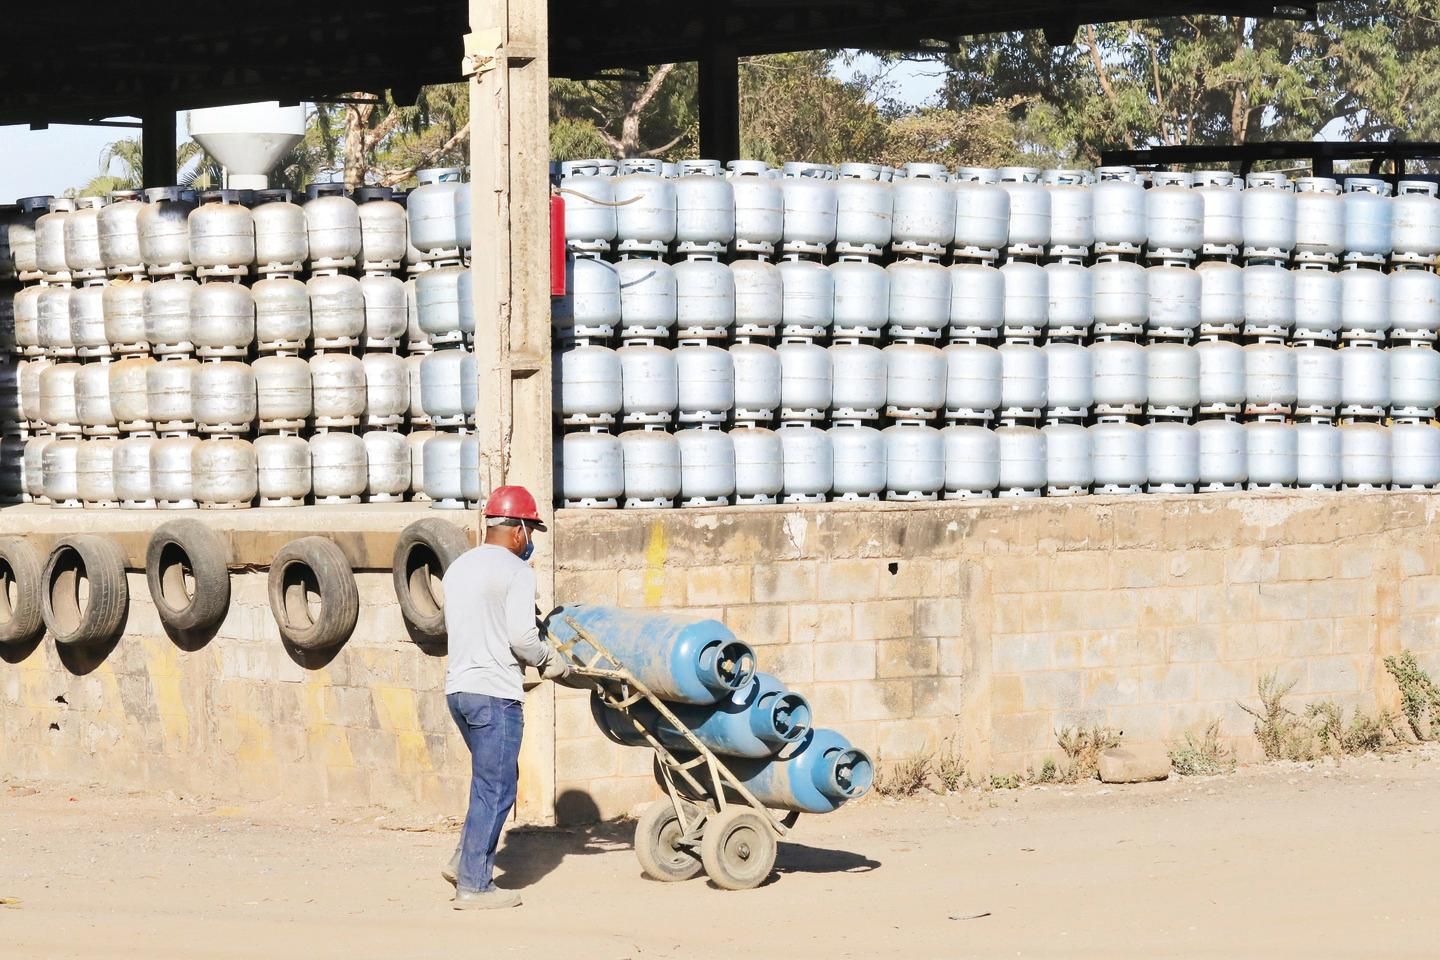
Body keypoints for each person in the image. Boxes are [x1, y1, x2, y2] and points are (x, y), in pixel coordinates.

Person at [440, 484, 570, 910]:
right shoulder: (516, 571)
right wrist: (551, 660)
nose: (530, 540)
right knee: (499, 787)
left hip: (459, 690)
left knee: (487, 781)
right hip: (495, 694)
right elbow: (522, 638)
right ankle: (474, 885)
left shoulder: (458, 568)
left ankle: (463, 860)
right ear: (516, 530)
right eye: (530, 530)